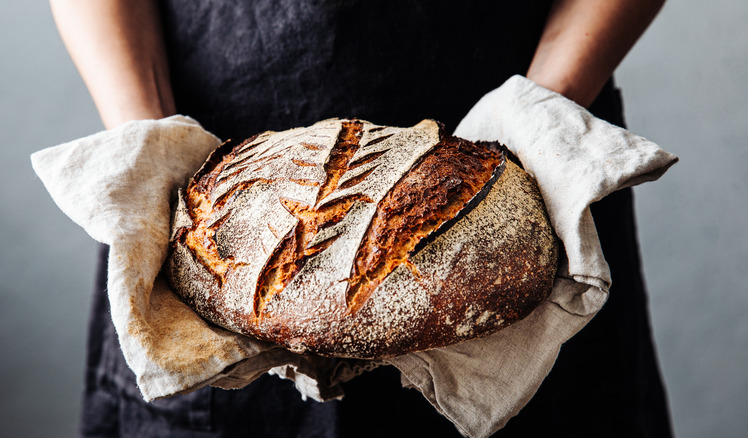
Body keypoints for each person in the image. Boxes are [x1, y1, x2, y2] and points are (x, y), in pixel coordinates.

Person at [50, 1, 673, 436]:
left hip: (529, 151)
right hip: (220, 194)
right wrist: (156, 149)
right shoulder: (191, 209)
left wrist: (542, 113)